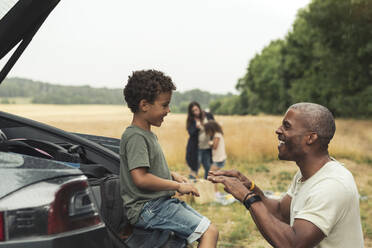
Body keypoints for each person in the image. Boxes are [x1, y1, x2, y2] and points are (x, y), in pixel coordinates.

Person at [208, 102, 364, 247]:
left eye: (286, 126)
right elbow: (281, 213)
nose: (278, 130)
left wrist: (248, 198)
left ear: (310, 138)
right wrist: (251, 188)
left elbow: (292, 243)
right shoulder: (306, 175)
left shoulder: (332, 185)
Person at [120, 70, 219, 247]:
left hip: (158, 204)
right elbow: (140, 178)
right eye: (164, 105)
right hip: (149, 208)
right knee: (209, 231)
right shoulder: (136, 137)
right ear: (144, 105)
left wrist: (171, 175)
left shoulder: (146, 134)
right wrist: (178, 186)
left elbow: (146, 168)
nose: (169, 110)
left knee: (182, 241)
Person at [186, 101, 214, 179]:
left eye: (196, 109)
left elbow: (214, 127)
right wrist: (196, 127)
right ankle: (190, 187)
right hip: (196, 149)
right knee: (195, 168)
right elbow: (190, 133)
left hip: (207, 147)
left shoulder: (207, 115)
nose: (195, 112)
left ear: (199, 108)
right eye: (193, 111)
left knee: (208, 168)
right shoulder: (191, 120)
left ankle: (206, 184)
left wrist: (213, 140)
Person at [204, 120, 226, 195]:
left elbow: (215, 146)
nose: (208, 133)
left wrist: (210, 144)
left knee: (212, 175)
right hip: (219, 158)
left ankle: (216, 193)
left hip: (218, 159)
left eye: (208, 131)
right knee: (214, 175)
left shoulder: (217, 135)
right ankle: (215, 192)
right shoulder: (218, 134)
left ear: (211, 129)